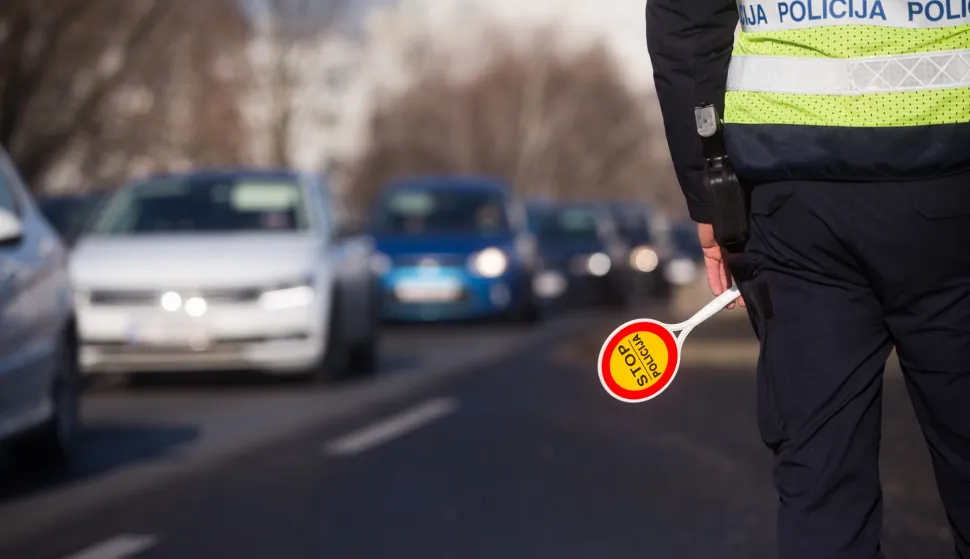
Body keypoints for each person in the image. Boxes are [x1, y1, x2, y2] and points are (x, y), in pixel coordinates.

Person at [645, 1, 970, 558]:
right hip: (949, 181)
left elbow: (690, 26)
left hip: (792, 197)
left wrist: (712, 196)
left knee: (822, 484)